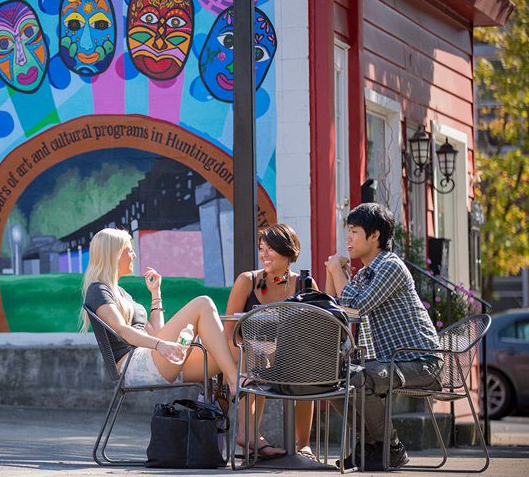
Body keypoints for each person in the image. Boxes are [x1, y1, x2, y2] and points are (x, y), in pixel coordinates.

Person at [78, 228, 246, 454]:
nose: (134, 256)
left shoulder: (122, 294)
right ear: (114, 254)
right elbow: (123, 330)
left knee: (239, 352)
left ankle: (249, 438)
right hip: (134, 366)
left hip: (154, 359)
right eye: (129, 250)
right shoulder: (98, 290)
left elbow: (157, 332)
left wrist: (155, 293)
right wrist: (160, 345)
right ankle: (234, 382)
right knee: (203, 303)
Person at [323, 202, 442, 471]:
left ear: (374, 236)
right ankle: (369, 445)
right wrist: (335, 271)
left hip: (423, 362)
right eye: (348, 231)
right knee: (331, 378)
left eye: (354, 231)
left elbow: (356, 305)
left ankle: (391, 447)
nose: (348, 238)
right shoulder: (366, 273)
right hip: (395, 362)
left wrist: (335, 269)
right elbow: (337, 304)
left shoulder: (390, 266)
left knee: (360, 378)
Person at [223, 223, 318, 460]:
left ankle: (304, 444)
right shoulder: (247, 281)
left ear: (288, 252)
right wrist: (241, 360)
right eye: (261, 248)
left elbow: (315, 333)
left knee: (307, 367)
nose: (264, 254)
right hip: (247, 357)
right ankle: (249, 435)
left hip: (289, 360)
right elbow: (228, 333)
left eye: (270, 249)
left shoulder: (305, 285)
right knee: (252, 362)